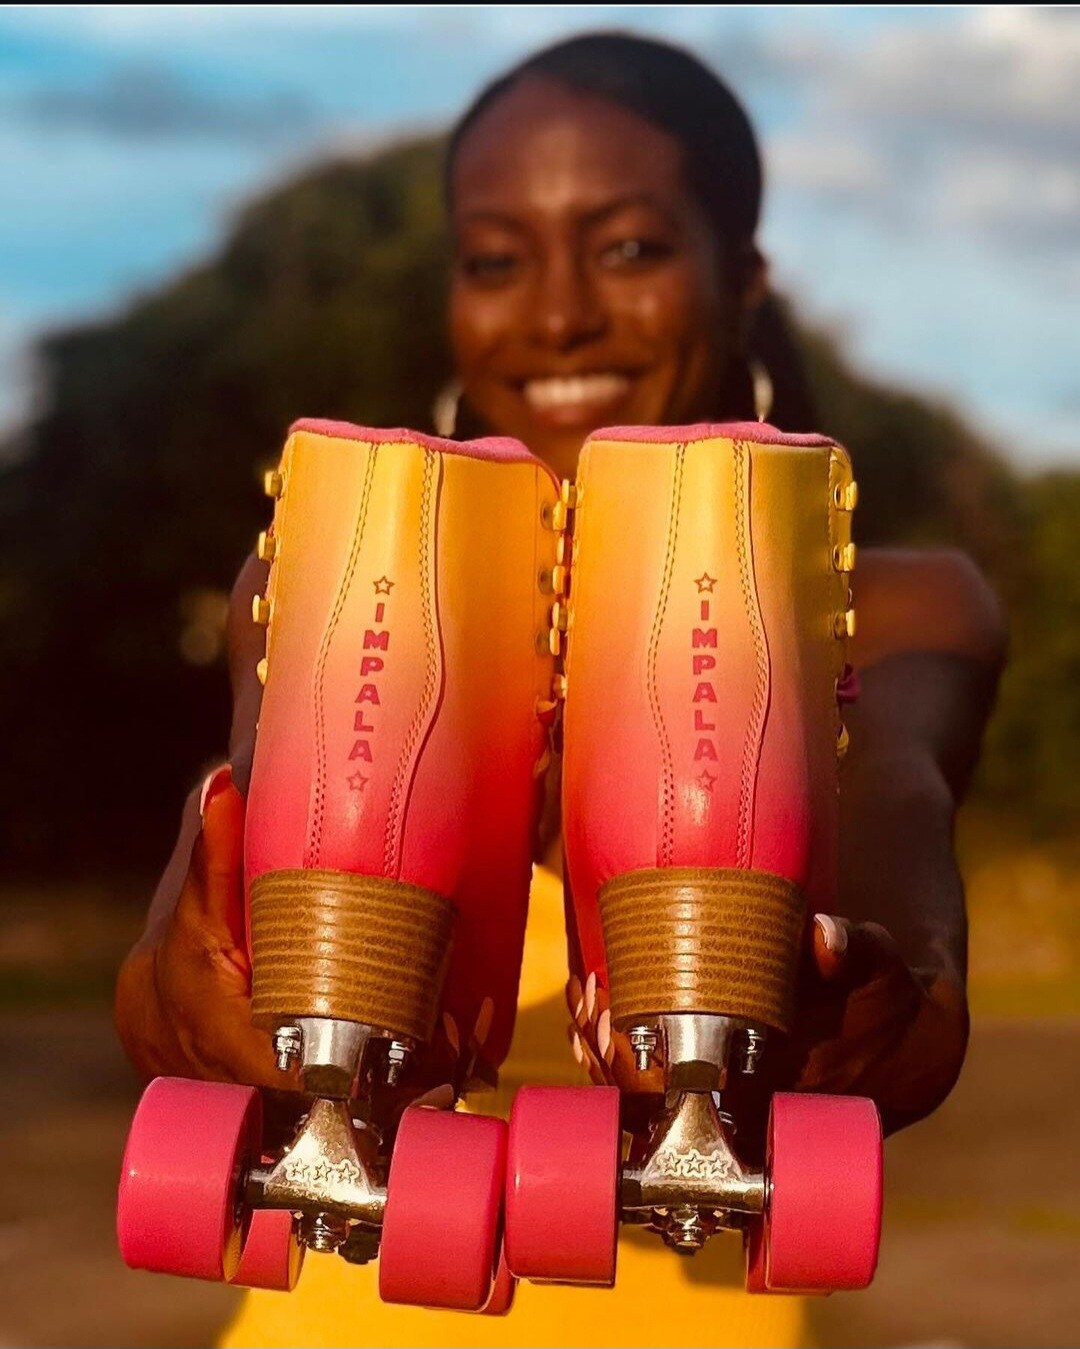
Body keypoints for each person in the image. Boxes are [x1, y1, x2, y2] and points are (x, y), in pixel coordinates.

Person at [114, 31, 1007, 1348]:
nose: (555, 316)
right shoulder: (315, 592)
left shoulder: (899, 608)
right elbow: (173, 962)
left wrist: (874, 993)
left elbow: (893, 820)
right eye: (496, 261)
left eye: (629, 247)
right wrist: (194, 984)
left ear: (743, 279)